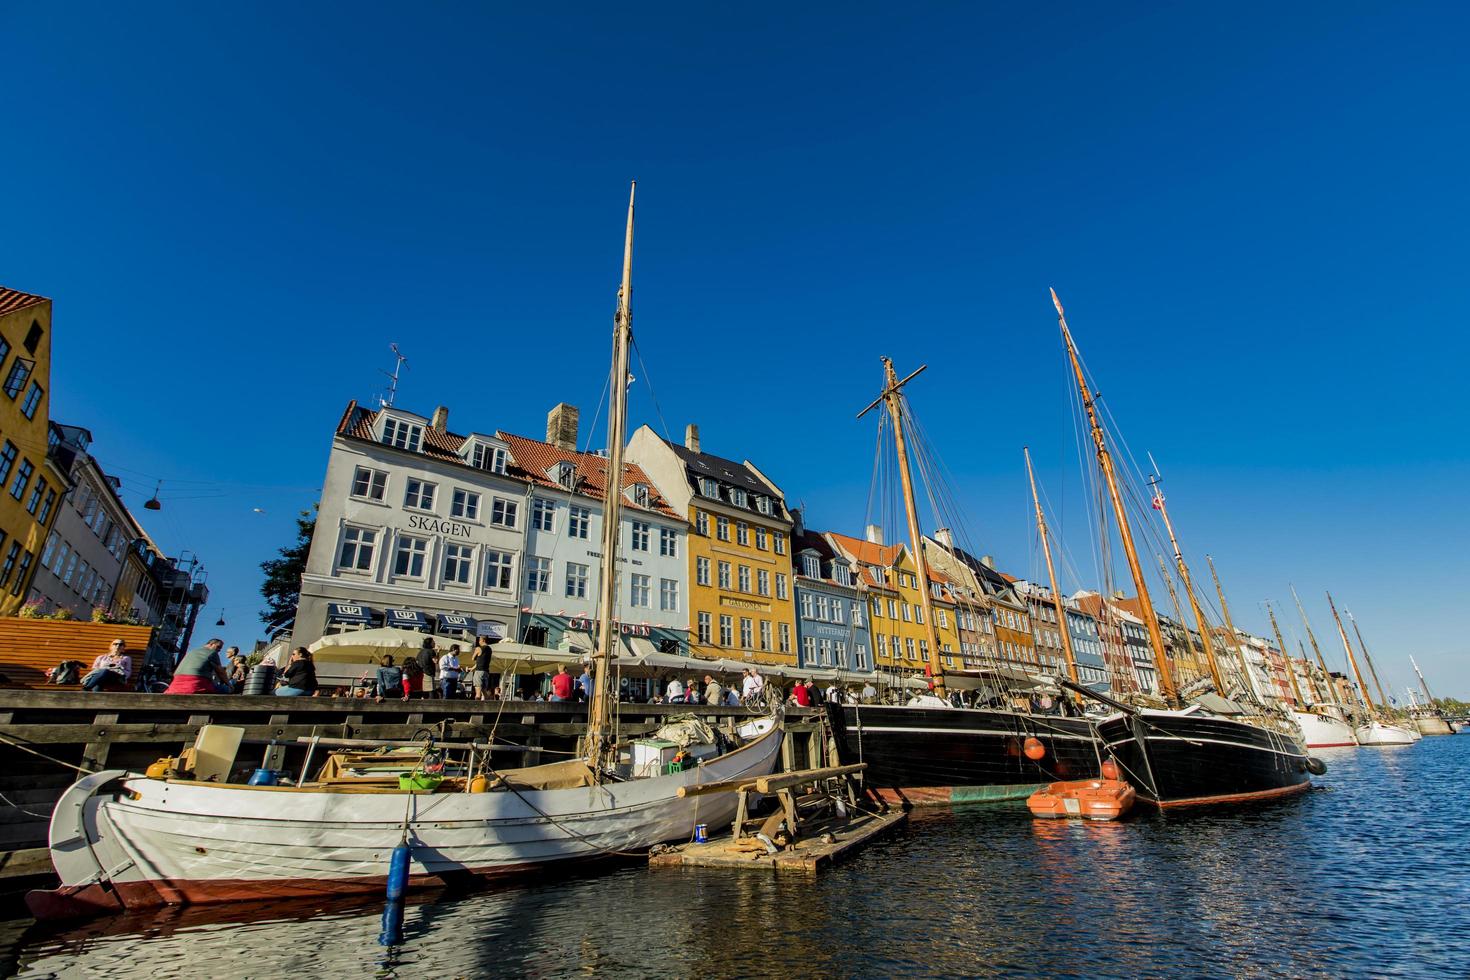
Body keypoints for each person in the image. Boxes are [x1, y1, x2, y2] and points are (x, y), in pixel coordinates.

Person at [164, 638, 230, 694]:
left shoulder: (191, 652)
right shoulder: (212, 653)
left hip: (176, 685)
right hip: (196, 685)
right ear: (211, 644)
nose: (219, 650)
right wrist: (230, 685)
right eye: (218, 647)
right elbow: (220, 672)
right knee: (226, 689)